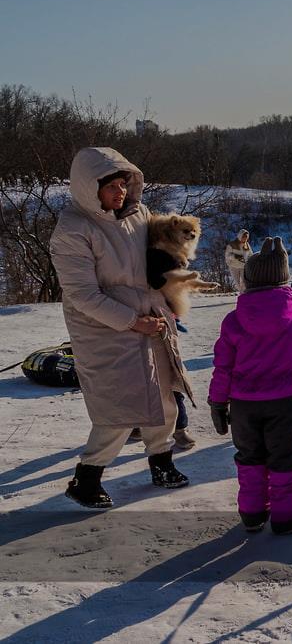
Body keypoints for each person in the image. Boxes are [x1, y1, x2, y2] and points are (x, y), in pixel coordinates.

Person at [51, 147, 192, 508]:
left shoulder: (138, 214)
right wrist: (132, 322)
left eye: (123, 184)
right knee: (119, 407)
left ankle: (162, 462)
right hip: (105, 328)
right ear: (89, 188)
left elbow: (157, 257)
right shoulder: (73, 229)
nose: (120, 192)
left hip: (152, 318)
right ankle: (86, 479)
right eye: (111, 186)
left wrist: (168, 292)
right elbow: (82, 294)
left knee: (164, 396)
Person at [209, 237, 292, 535]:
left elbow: (223, 366)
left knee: (250, 457)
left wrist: (218, 402)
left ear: (249, 281)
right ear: (284, 278)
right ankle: (288, 514)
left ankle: (252, 513)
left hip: (243, 405)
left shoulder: (233, 320)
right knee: (285, 457)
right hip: (284, 402)